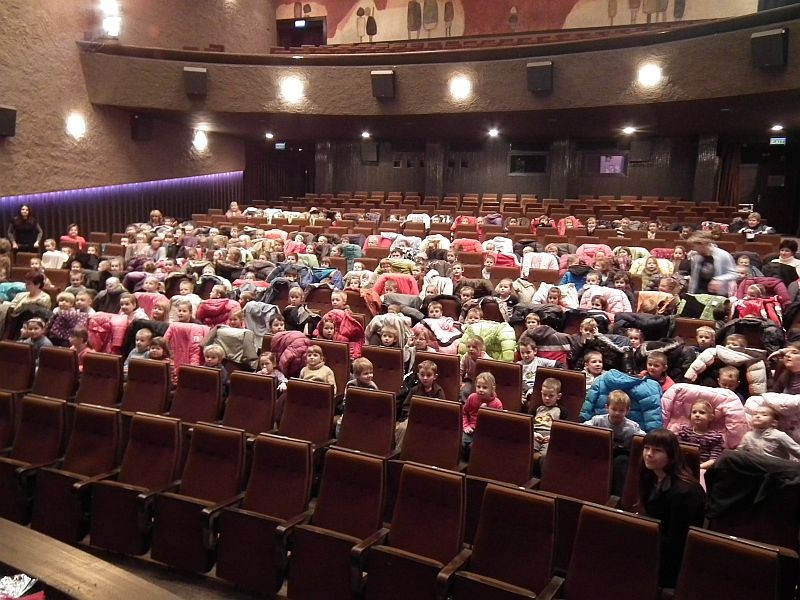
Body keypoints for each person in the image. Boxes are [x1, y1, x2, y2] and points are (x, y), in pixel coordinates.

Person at [637, 429, 706, 587]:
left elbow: (677, 542)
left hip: (671, 562)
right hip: (653, 544)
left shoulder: (686, 493)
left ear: (671, 456)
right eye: (646, 448)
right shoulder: (650, 475)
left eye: (657, 450)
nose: (649, 454)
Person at [584, 390, 642, 495]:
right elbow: (582, 428)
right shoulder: (598, 420)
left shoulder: (632, 427)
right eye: (614, 409)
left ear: (627, 411)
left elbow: (644, 438)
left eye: (621, 410)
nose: (617, 413)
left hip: (622, 453)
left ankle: (617, 495)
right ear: (607, 407)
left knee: (621, 461)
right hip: (601, 451)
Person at [676, 400, 724, 472]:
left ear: (710, 417)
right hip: (683, 467)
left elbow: (714, 460)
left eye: (702, 412)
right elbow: (677, 452)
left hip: (704, 469)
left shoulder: (715, 437)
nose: (697, 415)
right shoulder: (684, 432)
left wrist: (698, 467)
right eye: (694, 412)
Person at [518, 336, 562, 407]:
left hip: (539, 389)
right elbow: (518, 380)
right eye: (522, 353)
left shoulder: (540, 361)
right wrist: (527, 390)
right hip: (524, 390)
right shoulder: (519, 364)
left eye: (528, 352)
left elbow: (559, 364)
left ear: (535, 351)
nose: (525, 355)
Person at [462, 371, 503, 447]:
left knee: (475, 447)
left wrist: (485, 412)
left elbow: (497, 424)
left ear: (492, 389)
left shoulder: (497, 404)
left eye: (485, 387)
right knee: (461, 444)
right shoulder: (472, 397)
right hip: (470, 429)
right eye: (478, 386)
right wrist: (465, 426)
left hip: (486, 433)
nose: (481, 390)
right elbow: (464, 413)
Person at [532, 377, 567, 459]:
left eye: (551, 396)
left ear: (558, 396)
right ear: (541, 393)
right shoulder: (536, 408)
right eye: (544, 394)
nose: (547, 398)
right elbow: (527, 424)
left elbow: (565, 429)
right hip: (535, 434)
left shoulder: (562, 411)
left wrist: (553, 437)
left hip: (550, 436)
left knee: (546, 455)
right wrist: (534, 434)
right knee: (528, 450)